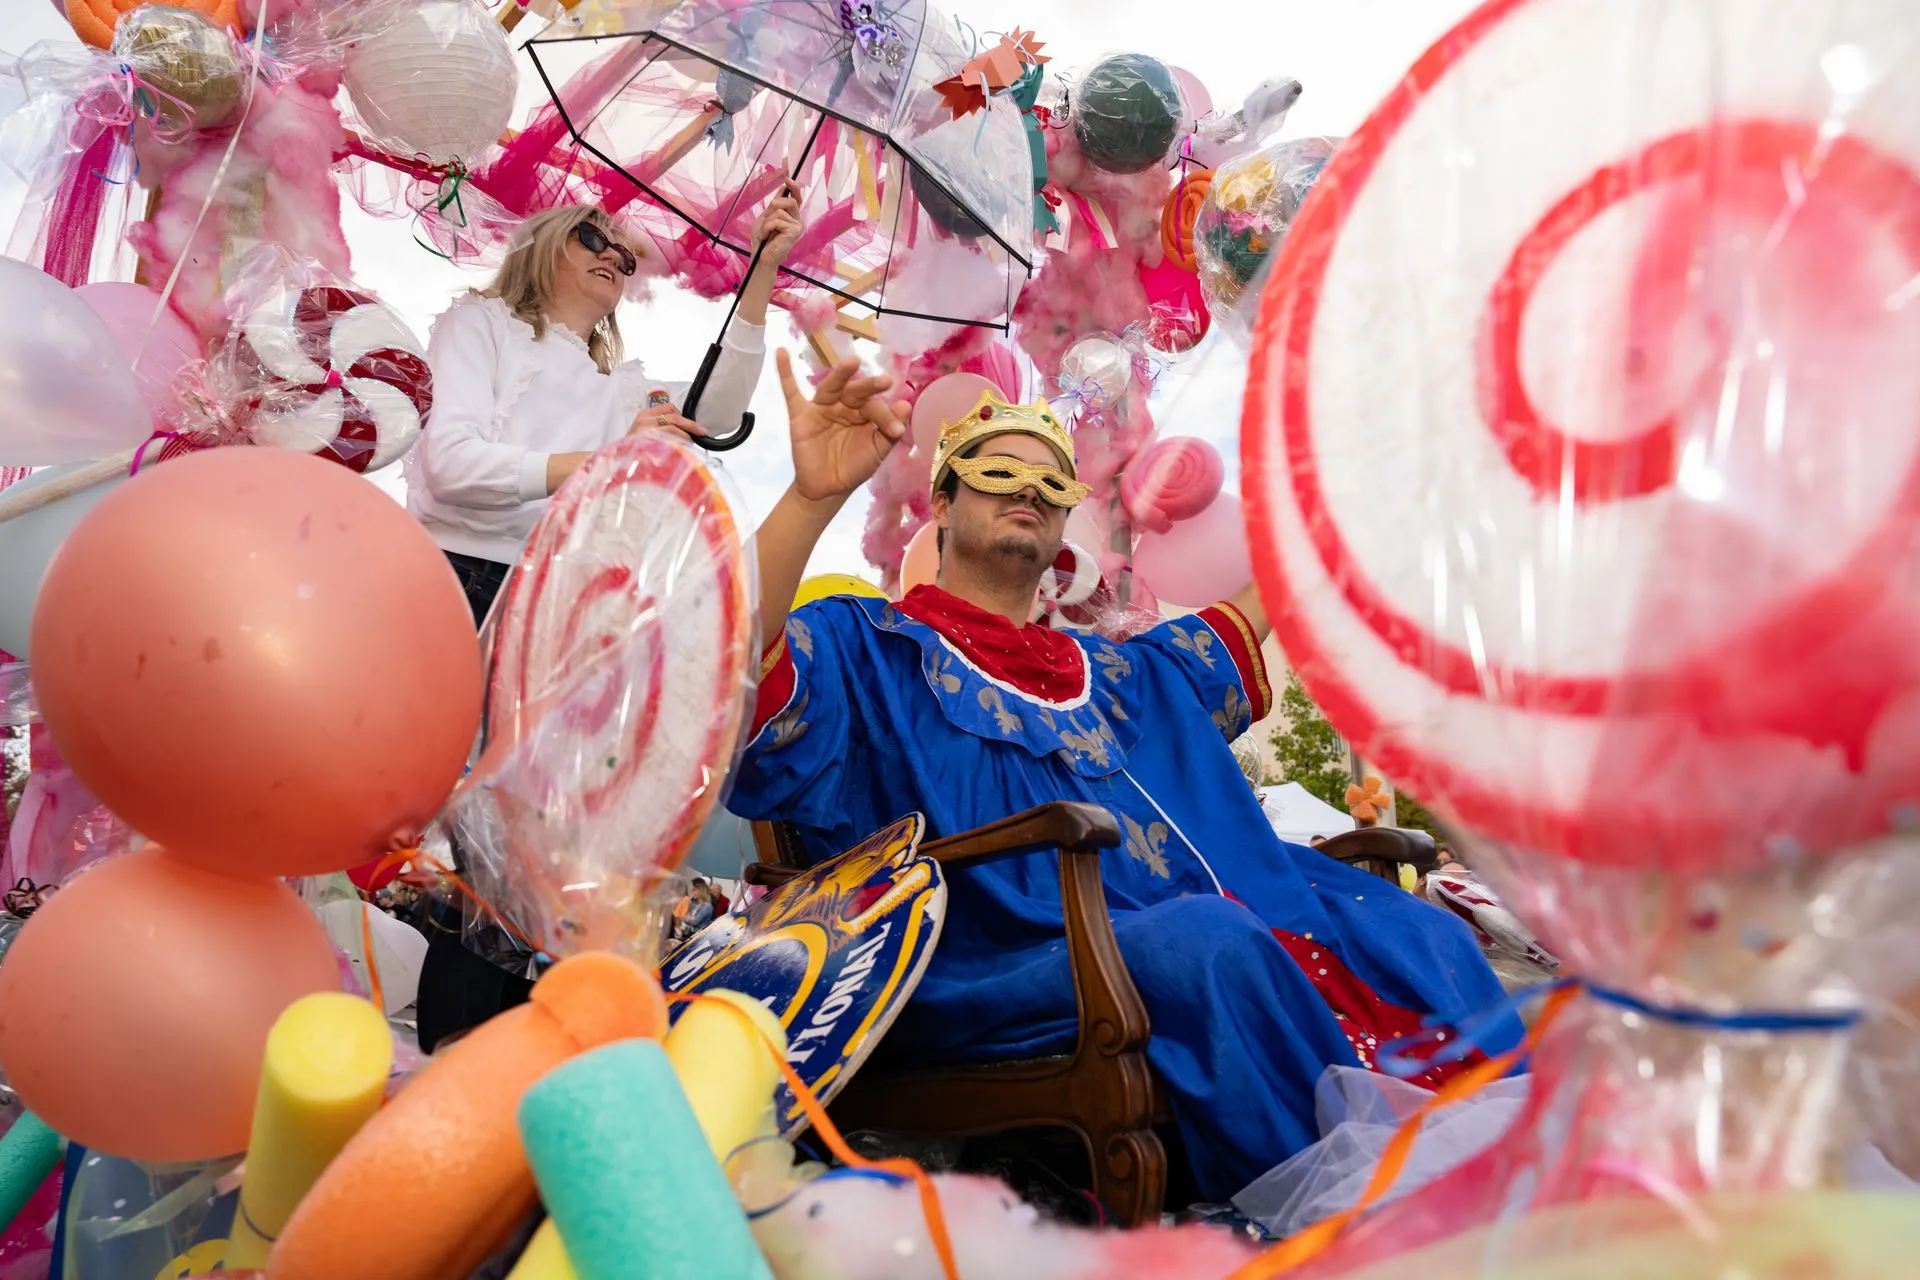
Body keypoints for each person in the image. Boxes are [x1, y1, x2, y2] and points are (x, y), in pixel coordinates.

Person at [725, 352, 1521, 1203]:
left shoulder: (1124, 671)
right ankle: (1361, 1223)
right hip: (1002, 955)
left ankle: (1525, 1179)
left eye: (1051, 480)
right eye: (995, 471)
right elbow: (731, 663)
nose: (1026, 489)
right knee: (1207, 945)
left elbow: (1260, 607)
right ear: (943, 505)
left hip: (1208, 927)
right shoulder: (865, 646)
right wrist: (811, 500)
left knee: (1412, 928)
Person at [408, 194, 803, 624]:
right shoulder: (482, 323)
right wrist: (611, 461)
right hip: (452, 579)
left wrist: (764, 267)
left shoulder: (624, 392)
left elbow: (719, 410)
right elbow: (450, 464)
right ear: (543, 245)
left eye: (626, 259)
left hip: (557, 607)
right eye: (594, 239)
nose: (613, 258)